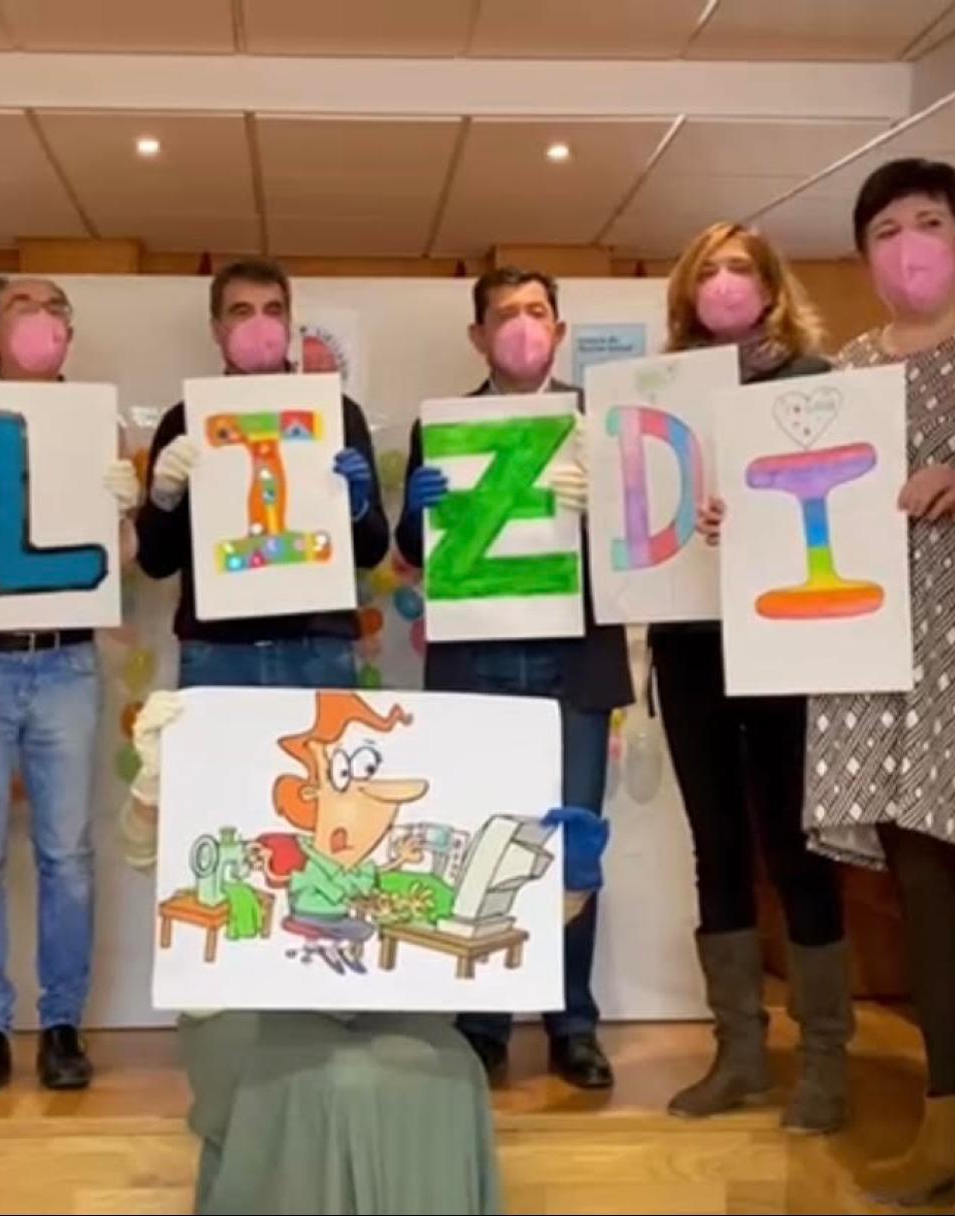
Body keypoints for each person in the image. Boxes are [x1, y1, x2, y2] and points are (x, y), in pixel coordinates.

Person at [754, 159, 955, 1215]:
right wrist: (740, 523)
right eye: (884, 231)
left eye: (928, 221)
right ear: (863, 256)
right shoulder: (850, 368)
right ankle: (947, 1125)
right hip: (878, 655)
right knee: (922, 893)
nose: (909, 246)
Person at [119, 690, 610, 1214]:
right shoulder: (266, 846)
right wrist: (153, 789)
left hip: (381, 1004)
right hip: (248, 1010)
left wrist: (569, 883)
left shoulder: (386, 874)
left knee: (451, 1069)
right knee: (329, 1084)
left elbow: (485, 915)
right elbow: (147, 856)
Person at [393, 267, 627, 1090]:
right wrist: (418, 508)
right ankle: (483, 1024)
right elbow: (415, 552)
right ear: (477, 335)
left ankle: (573, 1024)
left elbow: (640, 552)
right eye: (505, 315)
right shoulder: (443, 427)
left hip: (575, 661)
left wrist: (609, 507)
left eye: (536, 312)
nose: (523, 327)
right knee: (482, 843)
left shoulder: (599, 421)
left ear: (558, 329)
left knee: (572, 847)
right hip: (477, 661)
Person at [654, 224, 852, 1133]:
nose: (724, 283)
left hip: (786, 642)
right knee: (717, 846)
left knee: (796, 845)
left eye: (740, 268)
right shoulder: (663, 391)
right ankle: (739, 1054)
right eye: (709, 270)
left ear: (772, 288)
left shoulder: (814, 383)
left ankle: (825, 1061)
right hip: (689, 641)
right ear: (686, 292)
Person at [0, 276, 142, 1096]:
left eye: (57, 310)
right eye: (24, 306)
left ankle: (62, 1025)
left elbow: (116, 563)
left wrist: (126, 512)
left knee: (69, 857)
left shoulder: (99, 422)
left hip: (64, 661)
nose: (43, 321)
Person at [135, 258, 388, 690]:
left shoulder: (336, 414)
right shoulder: (185, 421)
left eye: (273, 310)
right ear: (217, 329)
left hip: (317, 645)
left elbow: (372, 550)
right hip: (216, 649)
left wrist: (358, 505)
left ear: (289, 324)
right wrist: (163, 498)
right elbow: (156, 562)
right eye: (241, 311)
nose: (260, 324)